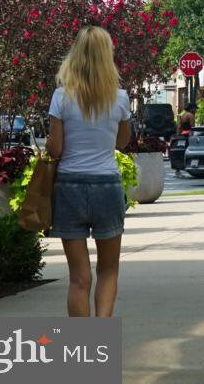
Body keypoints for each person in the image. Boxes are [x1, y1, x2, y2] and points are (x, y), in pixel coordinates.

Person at [44, 26, 131, 317]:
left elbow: (55, 150)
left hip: (69, 186)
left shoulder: (61, 97)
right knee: (108, 270)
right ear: (108, 57)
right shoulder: (120, 98)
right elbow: (122, 143)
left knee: (79, 278)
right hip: (106, 185)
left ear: (76, 55)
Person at [171, 106, 195, 178]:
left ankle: (177, 170)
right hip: (189, 134)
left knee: (180, 152)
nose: (195, 110)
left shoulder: (182, 115)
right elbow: (192, 126)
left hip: (182, 134)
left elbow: (179, 127)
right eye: (194, 108)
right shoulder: (190, 115)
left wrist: (178, 135)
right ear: (191, 109)